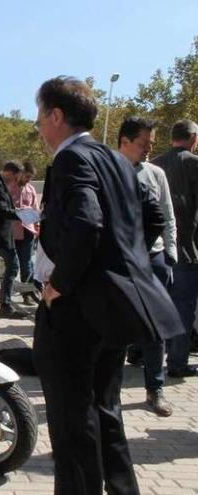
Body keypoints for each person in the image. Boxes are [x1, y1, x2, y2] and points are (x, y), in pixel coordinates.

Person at [33, 76, 182, 495]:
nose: (39, 126)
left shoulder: (71, 159)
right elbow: (150, 215)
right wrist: (124, 260)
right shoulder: (116, 160)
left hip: (77, 310)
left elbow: (86, 222)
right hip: (113, 309)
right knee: (107, 408)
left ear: (57, 116)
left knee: (72, 418)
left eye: (40, 116)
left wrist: (59, 284)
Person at [118, 116, 177, 416]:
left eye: (152, 144)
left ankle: (155, 390)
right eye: (144, 144)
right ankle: (107, 391)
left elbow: (167, 213)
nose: (148, 150)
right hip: (119, 260)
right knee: (115, 328)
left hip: (152, 259)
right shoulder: (108, 171)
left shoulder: (156, 174)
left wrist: (170, 251)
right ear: (125, 141)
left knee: (156, 328)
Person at [152, 119, 198, 378]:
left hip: (154, 249)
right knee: (182, 308)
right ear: (193, 138)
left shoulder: (153, 165)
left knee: (154, 304)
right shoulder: (194, 164)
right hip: (187, 249)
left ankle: (139, 352)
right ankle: (177, 363)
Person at [0, 160, 29, 319]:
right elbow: (1, 210)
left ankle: (5, 302)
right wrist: (21, 214)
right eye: (16, 178)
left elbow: (4, 208)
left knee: (8, 266)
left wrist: (18, 211)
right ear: (9, 173)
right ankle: (5, 306)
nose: (15, 182)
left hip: (0, 233)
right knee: (13, 266)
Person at [6, 161, 39, 296]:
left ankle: (28, 293)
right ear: (20, 174)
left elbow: (36, 210)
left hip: (28, 231)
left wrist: (37, 227)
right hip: (12, 232)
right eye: (27, 176)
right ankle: (8, 292)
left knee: (27, 262)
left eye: (30, 177)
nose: (28, 180)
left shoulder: (31, 189)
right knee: (12, 263)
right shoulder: (8, 188)